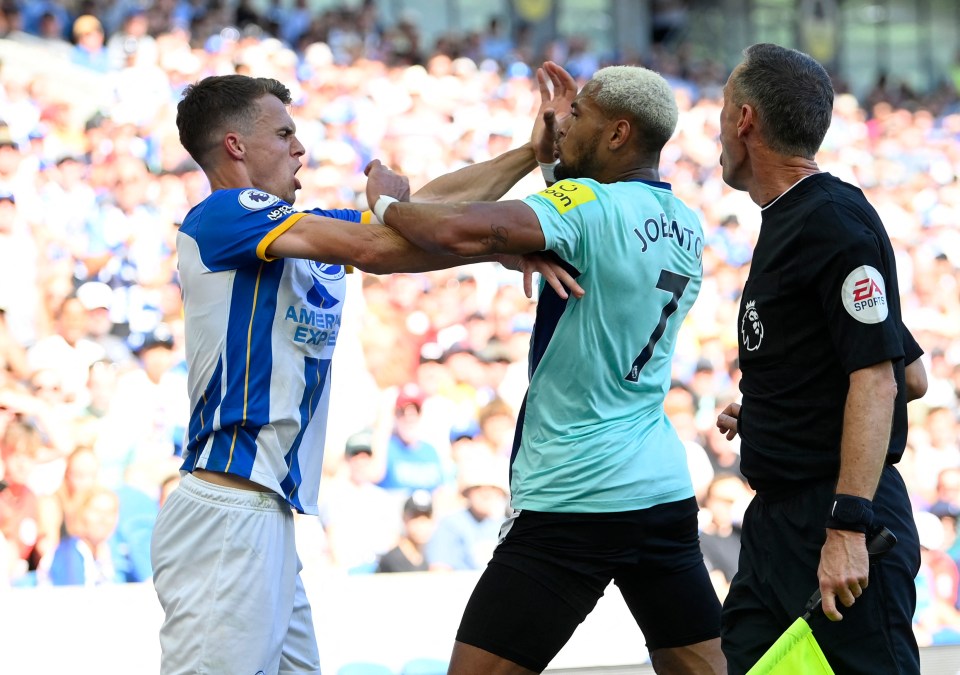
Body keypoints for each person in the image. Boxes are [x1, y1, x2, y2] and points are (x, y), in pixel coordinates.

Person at [150, 73, 581, 675]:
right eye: (284, 133)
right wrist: (471, 235)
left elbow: (418, 217)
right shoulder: (227, 214)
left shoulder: (291, 229)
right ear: (235, 145)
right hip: (228, 511)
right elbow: (384, 242)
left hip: (265, 515)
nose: (300, 149)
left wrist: (526, 161)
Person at [366, 62, 725, 673]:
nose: (564, 127)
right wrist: (547, 165)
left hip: (575, 495)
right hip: (659, 490)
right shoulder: (686, 225)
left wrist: (386, 204)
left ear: (616, 133)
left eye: (578, 116)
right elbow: (585, 234)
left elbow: (453, 226)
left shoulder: (585, 204)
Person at [713, 43, 926, 674]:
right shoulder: (789, 219)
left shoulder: (831, 219)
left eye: (723, 110)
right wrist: (774, 413)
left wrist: (847, 529)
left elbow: (884, 380)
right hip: (778, 527)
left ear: (745, 119)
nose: (718, 128)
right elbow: (911, 370)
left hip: (836, 519)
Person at [375, 489, 435, 574]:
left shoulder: (430, 557)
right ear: (404, 518)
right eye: (415, 517)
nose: (421, 525)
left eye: (426, 517)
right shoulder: (391, 560)